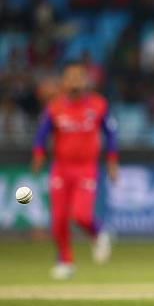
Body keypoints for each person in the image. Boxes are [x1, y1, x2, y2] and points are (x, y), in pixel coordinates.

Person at [32, 60, 119, 280]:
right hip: (60, 168)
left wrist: (111, 160)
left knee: (80, 215)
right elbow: (42, 134)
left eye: (79, 77)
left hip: (86, 168)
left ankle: (98, 232)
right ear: (63, 81)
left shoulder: (98, 105)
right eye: (70, 77)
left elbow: (110, 134)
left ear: (86, 80)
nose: (75, 81)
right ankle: (65, 261)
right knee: (59, 219)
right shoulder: (55, 106)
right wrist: (38, 154)